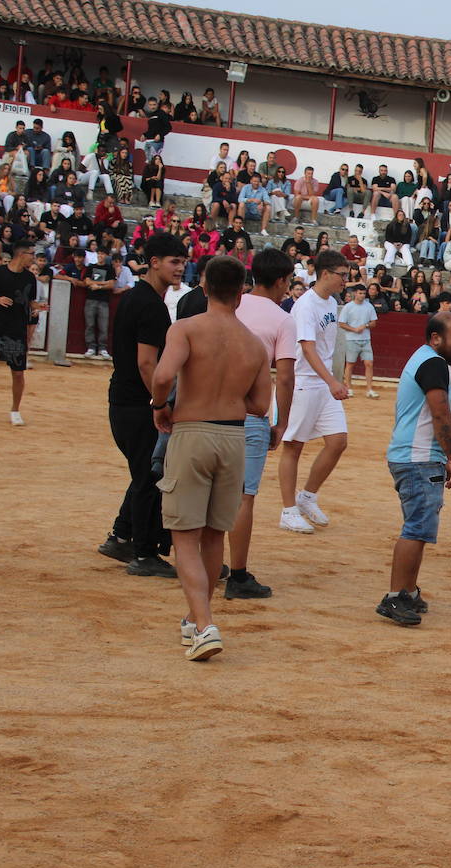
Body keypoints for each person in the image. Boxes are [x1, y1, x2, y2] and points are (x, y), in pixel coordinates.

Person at [149, 256, 270, 660]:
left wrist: (160, 406)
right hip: (233, 438)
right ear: (241, 293)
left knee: (185, 535)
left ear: (203, 287)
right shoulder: (253, 343)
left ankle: (204, 625)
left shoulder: (186, 328)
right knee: (214, 534)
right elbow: (261, 404)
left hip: (192, 431)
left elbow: (162, 376)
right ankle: (195, 618)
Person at [97, 233, 187, 577]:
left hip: (124, 400)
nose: (180, 268)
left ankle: (121, 537)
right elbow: (147, 363)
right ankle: (144, 554)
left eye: (183, 262)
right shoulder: (150, 305)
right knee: (150, 477)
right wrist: (159, 404)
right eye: (174, 262)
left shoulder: (137, 298)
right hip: (137, 404)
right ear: (154, 262)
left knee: (144, 472)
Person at [376, 312, 451, 626]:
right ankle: (395, 596)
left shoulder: (426, 358)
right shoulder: (434, 364)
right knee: (416, 528)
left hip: (412, 455)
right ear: (436, 338)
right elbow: (441, 413)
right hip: (419, 458)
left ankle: (408, 591)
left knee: (418, 527)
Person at [223, 248, 297, 600]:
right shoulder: (282, 319)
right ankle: (237, 574)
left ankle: (207, 564)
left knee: (209, 491)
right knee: (242, 496)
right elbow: (285, 377)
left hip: (209, 410)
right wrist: (281, 422)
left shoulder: (230, 304)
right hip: (250, 415)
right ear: (281, 281)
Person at [278, 251, 351, 535]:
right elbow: (307, 348)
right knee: (293, 446)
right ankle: (288, 510)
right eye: (342, 275)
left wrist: (330, 381)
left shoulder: (331, 302)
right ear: (325, 274)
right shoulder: (306, 305)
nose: (345, 280)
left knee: (338, 441)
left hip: (321, 382)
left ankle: (307, 496)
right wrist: (332, 381)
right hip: (304, 382)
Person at [0, 240, 46, 426]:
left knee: (18, 373)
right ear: (22, 254)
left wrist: (38, 306)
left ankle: (15, 410)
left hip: (16, 330)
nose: (34, 258)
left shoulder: (30, 278)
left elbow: (29, 302)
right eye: (32, 254)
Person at [338, 284, 379, 399]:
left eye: (364, 293)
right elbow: (341, 323)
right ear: (355, 293)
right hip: (351, 339)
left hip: (366, 339)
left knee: (369, 363)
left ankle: (369, 389)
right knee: (350, 364)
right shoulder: (348, 307)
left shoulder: (369, 306)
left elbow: (373, 323)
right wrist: (354, 329)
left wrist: (365, 326)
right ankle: (349, 388)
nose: (362, 295)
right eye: (360, 293)